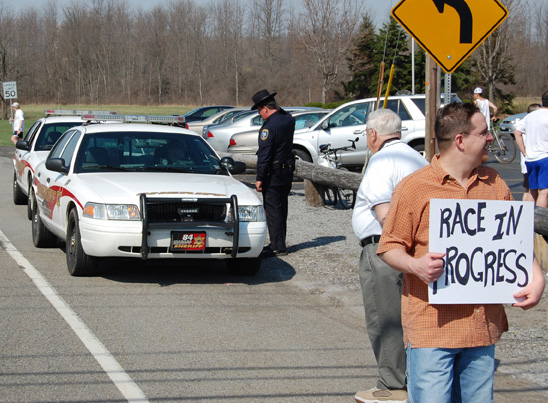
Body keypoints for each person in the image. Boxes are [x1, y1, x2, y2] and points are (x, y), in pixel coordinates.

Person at [377, 102, 545, 403]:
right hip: (432, 329)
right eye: (484, 132)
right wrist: (416, 266)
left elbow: (513, 243)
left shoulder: (496, 184)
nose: (491, 138)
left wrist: (536, 275)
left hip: (482, 328)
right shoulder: (414, 188)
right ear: (461, 140)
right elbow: (388, 246)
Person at [352, 109, 427, 403]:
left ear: (372, 135)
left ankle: (393, 384)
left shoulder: (381, 161)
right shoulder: (416, 159)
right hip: (416, 249)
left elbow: (385, 214)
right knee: (410, 317)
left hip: (385, 249)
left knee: (386, 319)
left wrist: (397, 248)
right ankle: (413, 378)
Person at [251, 89, 295, 257]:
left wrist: (259, 178)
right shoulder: (288, 120)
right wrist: (276, 104)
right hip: (287, 173)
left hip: (273, 174)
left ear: (265, 109)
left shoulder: (269, 127)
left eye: (259, 110)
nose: (260, 114)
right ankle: (280, 242)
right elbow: (284, 112)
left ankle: (277, 246)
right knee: (282, 209)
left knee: (273, 210)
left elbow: (264, 155)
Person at [514, 91, 548, 207]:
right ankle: (539, 222)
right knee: (544, 192)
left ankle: (526, 218)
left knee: (532, 190)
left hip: (530, 158)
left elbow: (517, 132)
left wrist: (524, 151)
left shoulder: (530, 116)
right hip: (545, 157)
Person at [518, 103, 541, 202]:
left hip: (528, 162)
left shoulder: (525, 125)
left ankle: (525, 211)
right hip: (531, 162)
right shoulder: (528, 126)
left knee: (529, 190)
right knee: (532, 191)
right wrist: (525, 152)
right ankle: (527, 212)